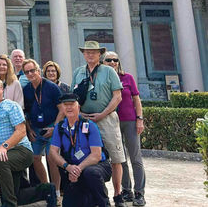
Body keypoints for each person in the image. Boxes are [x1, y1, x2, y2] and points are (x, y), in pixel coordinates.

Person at [71, 40, 126, 207]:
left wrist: (102, 114)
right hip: (85, 120)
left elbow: (118, 96)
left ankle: (118, 195)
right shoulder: (78, 72)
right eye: (87, 52)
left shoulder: (109, 71)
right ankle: (93, 195)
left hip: (107, 119)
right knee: (87, 156)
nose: (90, 54)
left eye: (93, 52)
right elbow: (74, 97)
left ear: (99, 54)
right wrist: (79, 114)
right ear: (83, 54)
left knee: (116, 157)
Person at [49, 93, 112, 207]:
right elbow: (53, 152)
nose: (69, 107)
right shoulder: (59, 127)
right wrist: (67, 167)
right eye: (65, 105)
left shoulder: (89, 125)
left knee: (90, 173)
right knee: (70, 203)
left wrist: (77, 169)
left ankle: (104, 203)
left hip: (97, 166)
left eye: (72, 104)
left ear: (78, 107)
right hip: (72, 168)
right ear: (62, 108)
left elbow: (96, 155)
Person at [0, 77, 33, 207]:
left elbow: (21, 131)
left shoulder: (11, 106)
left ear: (2, 89)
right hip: (3, 156)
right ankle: (46, 191)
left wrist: (4, 146)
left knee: (1, 160)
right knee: (15, 195)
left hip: (21, 150)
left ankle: (9, 205)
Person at [103, 51, 146, 206]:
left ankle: (139, 193)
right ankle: (126, 190)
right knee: (120, 158)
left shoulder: (127, 78)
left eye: (115, 60)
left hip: (129, 121)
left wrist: (139, 119)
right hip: (111, 123)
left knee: (135, 157)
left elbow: (136, 99)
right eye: (109, 60)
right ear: (103, 62)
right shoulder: (103, 79)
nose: (113, 62)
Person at [22, 59, 63, 200]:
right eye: (27, 72)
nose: (30, 74)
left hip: (52, 126)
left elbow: (62, 110)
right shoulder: (26, 90)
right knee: (35, 158)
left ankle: (56, 191)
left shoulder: (51, 87)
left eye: (32, 70)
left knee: (52, 158)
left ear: (38, 70)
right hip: (35, 129)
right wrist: (29, 130)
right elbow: (25, 113)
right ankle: (47, 188)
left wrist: (55, 128)